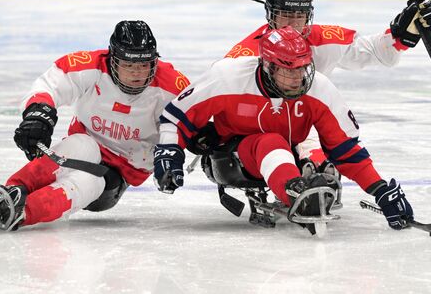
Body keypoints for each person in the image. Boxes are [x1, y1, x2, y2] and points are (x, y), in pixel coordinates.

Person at [153, 26, 413, 233]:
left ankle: (304, 176)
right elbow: (177, 115)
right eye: (288, 70)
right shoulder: (227, 77)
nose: (297, 78)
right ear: (268, 66)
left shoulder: (319, 89)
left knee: (310, 153)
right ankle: (295, 191)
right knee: (271, 142)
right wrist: (169, 153)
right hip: (229, 159)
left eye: (302, 68)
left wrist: (380, 190)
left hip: (288, 150)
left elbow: (346, 149)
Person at [0, 20, 189, 231]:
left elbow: (193, 120)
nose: (137, 72)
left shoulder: (173, 86)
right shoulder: (91, 65)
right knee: (81, 144)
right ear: (112, 59)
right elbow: (50, 85)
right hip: (82, 148)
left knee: (89, 182)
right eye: (129, 64)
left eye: (143, 64)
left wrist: (191, 146)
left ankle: (23, 213)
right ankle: (13, 190)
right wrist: (37, 116)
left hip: (118, 175)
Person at [225, 0, 431, 171]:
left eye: (300, 16)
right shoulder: (247, 54)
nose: (294, 24)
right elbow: (219, 92)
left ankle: (315, 166)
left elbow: (373, 50)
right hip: (261, 128)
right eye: (286, 15)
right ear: (270, 15)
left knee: (321, 135)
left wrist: (401, 35)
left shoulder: (322, 38)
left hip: (304, 124)